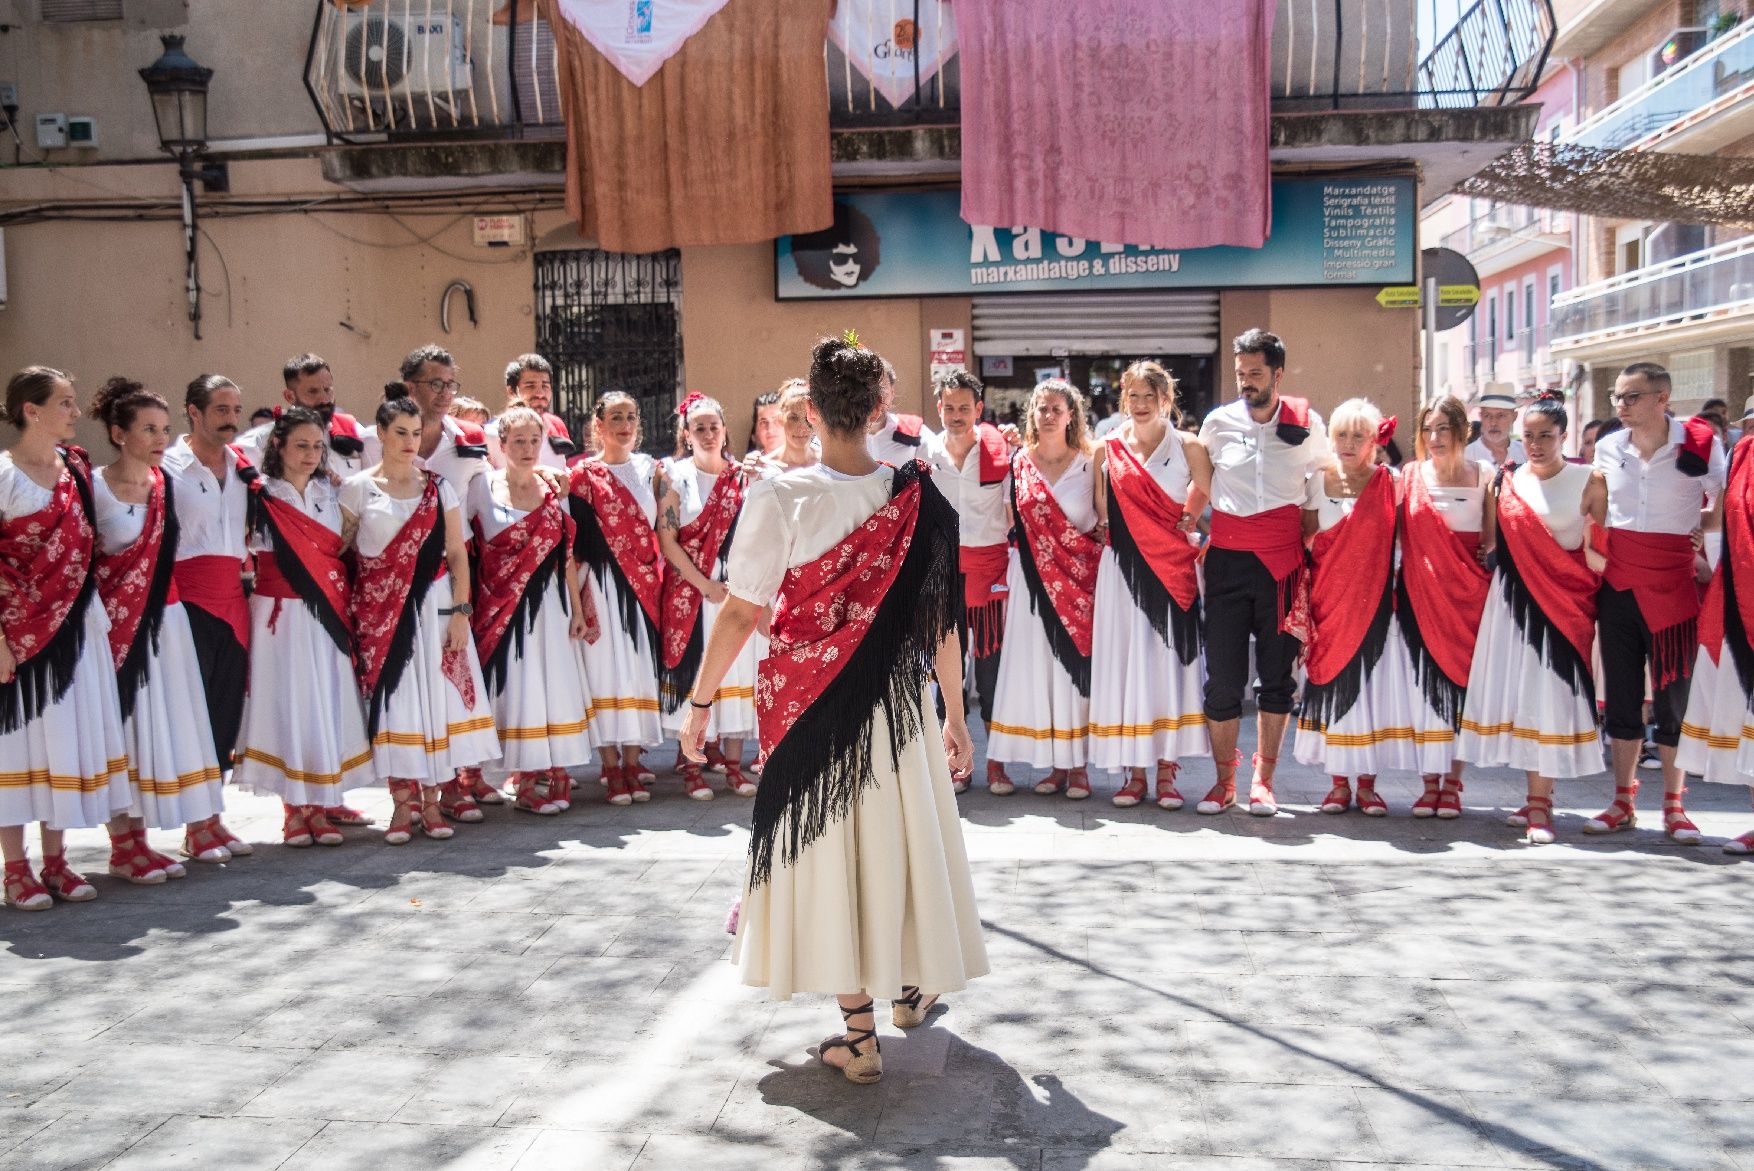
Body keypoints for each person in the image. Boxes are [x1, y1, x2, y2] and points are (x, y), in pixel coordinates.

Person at [678, 335, 986, 1085]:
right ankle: (911, 987)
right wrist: (954, 713)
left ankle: (859, 1034)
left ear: (810, 412)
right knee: (897, 842)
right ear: (882, 409)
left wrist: (699, 698)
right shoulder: (917, 496)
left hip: (810, 702)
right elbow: (941, 620)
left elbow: (742, 613)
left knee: (830, 856)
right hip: (899, 701)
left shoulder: (781, 494)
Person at [0, 367, 130, 910]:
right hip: (18, 631)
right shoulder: (3, 475)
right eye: (66, 403)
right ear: (32, 410)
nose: (77, 414)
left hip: (77, 625)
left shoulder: (77, 469)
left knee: (66, 740)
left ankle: (57, 861)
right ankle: (15, 870)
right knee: (18, 747)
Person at [342, 397, 499, 844]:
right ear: (381, 435)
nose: (410, 442)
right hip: (381, 616)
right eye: (400, 433)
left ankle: (432, 803)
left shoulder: (438, 488)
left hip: (434, 608)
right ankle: (400, 805)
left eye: (416, 433)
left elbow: (456, 556)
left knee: (435, 704)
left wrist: (460, 613)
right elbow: (340, 554)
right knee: (397, 705)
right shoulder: (356, 490)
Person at [90, 379, 229, 877]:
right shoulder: (92, 486)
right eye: (148, 429)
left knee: (160, 724)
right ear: (117, 433)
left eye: (165, 430)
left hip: (166, 620)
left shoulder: (166, 484)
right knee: (122, 725)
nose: (159, 440)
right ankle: (122, 844)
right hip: (116, 624)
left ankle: (145, 838)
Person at [1585, 362, 1724, 844]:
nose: (1619, 406)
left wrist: (1693, 532)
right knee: (1622, 697)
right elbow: (1596, 509)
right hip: (1619, 582)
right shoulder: (1607, 446)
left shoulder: (1700, 444)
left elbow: (1722, 508)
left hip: (1673, 584)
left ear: (1662, 398)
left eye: (1630, 397)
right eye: (1615, 397)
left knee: (1673, 700)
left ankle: (1674, 806)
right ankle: (1622, 800)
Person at [1458, 394, 1606, 844]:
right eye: (1530, 436)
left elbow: (1601, 554)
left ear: (1564, 435)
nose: (1537, 444)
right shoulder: (1504, 482)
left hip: (1564, 607)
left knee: (1550, 698)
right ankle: (1534, 797)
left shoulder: (1590, 480)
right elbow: (1490, 545)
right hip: (1513, 604)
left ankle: (1542, 802)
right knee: (1523, 698)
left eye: (1546, 435)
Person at [1197, 329, 1331, 816]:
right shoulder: (1217, 423)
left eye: (1256, 373)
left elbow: (1320, 486)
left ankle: (1264, 780)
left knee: (1277, 678)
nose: (1246, 382)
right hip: (1228, 562)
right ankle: (1223, 781)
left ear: (1278, 374)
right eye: (1240, 374)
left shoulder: (1308, 422)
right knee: (1223, 680)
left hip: (1283, 564)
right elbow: (1198, 478)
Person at [233, 407, 376, 845]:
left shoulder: (329, 493)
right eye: (302, 444)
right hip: (279, 615)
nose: (312, 454)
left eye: (318, 446)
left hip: (325, 614)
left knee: (324, 701)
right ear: (277, 445)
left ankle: (322, 800)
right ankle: (294, 810)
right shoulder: (258, 495)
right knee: (289, 702)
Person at [1089, 362, 1212, 808]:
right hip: (1122, 573)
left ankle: (1166, 772)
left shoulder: (1189, 446)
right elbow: (1102, 512)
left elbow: (1206, 489)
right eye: (1133, 397)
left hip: (1172, 573)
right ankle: (1133, 773)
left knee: (1166, 668)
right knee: (1126, 666)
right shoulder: (1106, 449)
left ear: (1166, 399)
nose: (1140, 405)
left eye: (1149, 397)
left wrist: (1189, 516)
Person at [468, 405, 597, 816]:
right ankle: (525, 779)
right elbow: (469, 552)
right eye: (518, 441)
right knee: (521, 690)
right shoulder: (480, 488)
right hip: (503, 609)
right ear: (501, 444)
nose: (527, 448)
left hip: (552, 605)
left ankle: (556, 771)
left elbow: (566, 557)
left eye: (533, 440)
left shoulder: (553, 489)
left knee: (554, 686)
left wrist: (578, 611)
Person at [1290, 398, 1406, 816]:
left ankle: (1369, 786)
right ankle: (1338, 784)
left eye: (1359, 435)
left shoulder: (1393, 484)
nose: (1348, 443)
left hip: (1375, 604)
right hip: (1327, 603)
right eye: (1341, 434)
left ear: (1376, 440)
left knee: (1369, 693)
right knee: (1331, 687)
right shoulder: (1315, 481)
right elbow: (1303, 537)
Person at [985, 379, 1100, 797]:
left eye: (1057, 409)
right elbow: (1004, 519)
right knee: (1035, 669)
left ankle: (1079, 767)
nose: (1048, 415)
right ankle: (1054, 766)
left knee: (1073, 671)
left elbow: (1103, 522)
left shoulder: (1091, 464)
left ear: (1072, 416)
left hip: (1079, 581)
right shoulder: (1017, 464)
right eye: (1042, 408)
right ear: (1031, 415)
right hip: (1029, 578)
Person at [161, 373, 254, 857]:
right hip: (187, 601)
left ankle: (213, 818)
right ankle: (194, 823)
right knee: (192, 712)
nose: (231, 420)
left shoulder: (244, 466)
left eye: (236, 410)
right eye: (221, 410)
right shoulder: (169, 466)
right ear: (193, 413)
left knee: (223, 709)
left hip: (234, 599)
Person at [1395, 394, 1496, 818]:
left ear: (1462, 432)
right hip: (1419, 596)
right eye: (1427, 429)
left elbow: (1491, 540)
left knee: (1461, 694)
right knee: (1424, 692)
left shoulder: (1485, 474)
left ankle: (1453, 783)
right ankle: (1428, 783)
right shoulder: (1409, 474)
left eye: (1443, 429)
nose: (1434, 438)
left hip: (1470, 599)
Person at [656, 394, 758, 800]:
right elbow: (668, 541)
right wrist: (705, 585)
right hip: (694, 593)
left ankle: (733, 766)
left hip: (735, 588)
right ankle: (693, 769)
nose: (709, 433)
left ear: (725, 430)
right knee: (699, 672)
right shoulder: (674, 476)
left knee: (735, 672)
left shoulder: (742, 476)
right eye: (700, 427)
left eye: (715, 426)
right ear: (687, 434)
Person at [569, 390, 664, 803]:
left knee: (636, 669)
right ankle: (609, 764)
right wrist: (577, 606)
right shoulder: (581, 476)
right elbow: (570, 548)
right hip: (602, 585)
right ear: (599, 425)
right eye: (616, 417)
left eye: (631, 416)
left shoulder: (650, 471)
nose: (625, 424)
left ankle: (631, 760)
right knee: (603, 671)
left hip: (643, 586)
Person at [927, 369, 1013, 794]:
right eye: (949, 407)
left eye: (964, 407)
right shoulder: (925, 451)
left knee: (993, 672)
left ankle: (997, 763)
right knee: (949, 674)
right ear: (938, 408)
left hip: (989, 571)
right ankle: (955, 763)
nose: (956, 415)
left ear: (979, 409)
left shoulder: (1002, 453)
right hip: (942, 573)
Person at [1674, 429, 1754, 851]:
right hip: (1742, 590)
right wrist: (1681, 526)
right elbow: (1723, 516)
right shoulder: (1743, 452)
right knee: (1745, 706)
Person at [235, 354, 368, 478]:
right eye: (313, 391)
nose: (325, 399)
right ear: (290, 396)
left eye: (328, 389)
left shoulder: (353, 430)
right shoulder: (260, 442)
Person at [485, 354, 576, 470]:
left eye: (545, 386)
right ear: (511, 391)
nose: (540, 393)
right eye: (530, 386)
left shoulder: (555, 424)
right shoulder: (492, 434)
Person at [867, 359, 938, 466]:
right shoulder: (841, 435)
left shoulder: (913, 431)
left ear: (892, 392)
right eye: (868, 389)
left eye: (882, 388)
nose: (875, 397)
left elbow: (943, 468)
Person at [751, 379, 818, 476]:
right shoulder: (763, 468)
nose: (801, 427)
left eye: (807, 418)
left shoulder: (828, 462)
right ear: (780, 419)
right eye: (793, 418)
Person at [1466, 389, 1525, 466]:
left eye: (1501, 415)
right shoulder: (1466, 456)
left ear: (1514, 416)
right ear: (1481, 417)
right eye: (1487, 416)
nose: (1493, 423)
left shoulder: (1525, 452)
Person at [746, 389, 784, 460]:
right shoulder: (750, 467)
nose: (770, 429)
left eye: (777, 420)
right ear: (756, 430)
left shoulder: (807, 466)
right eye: (763, 422)